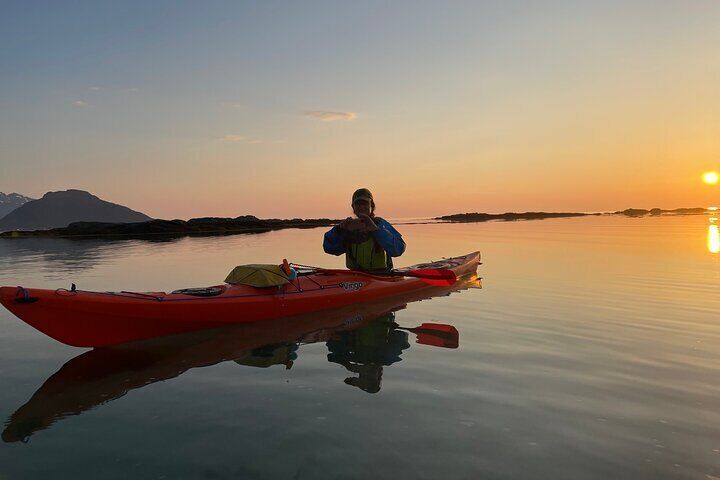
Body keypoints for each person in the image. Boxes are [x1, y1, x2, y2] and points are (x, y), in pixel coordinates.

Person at [323, 188, 406, 272]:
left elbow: (398, 249)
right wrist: (338, 230)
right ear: (353, 207)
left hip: (381, 276)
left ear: (372, 206)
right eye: (358, 204)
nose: (362, 207)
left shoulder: (380, 224)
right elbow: (328, 248)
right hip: (355, 277)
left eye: (365, 204)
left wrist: (376, 230)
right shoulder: (348, 226)